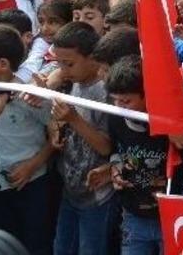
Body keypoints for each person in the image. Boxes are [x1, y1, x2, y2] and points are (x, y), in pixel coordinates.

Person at [0, 26, 54, 255]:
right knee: (0, 244)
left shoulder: (31, 97)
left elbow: (57, 136)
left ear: (2, 64)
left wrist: (32, 165)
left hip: (32, 184)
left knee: (35, 243)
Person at [51, 22, 116, 255]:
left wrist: (73, 120)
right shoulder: (76, 84)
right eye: (59, 63)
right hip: (71, 190)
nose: (63, 70)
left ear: (93, 58)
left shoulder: (106, 92)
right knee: (61, 248)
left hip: (97, 197)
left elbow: (105, 146)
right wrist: (59, 130)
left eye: (69, 64)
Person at [104, 55, 173, 255]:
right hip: (133, 214)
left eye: (126, 101)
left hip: (166, 216)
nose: (119, 106)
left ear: (147, 95)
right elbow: (115, 149)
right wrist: (115, 167)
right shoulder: (116, 117)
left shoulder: (169, 127)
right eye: (115, 99)